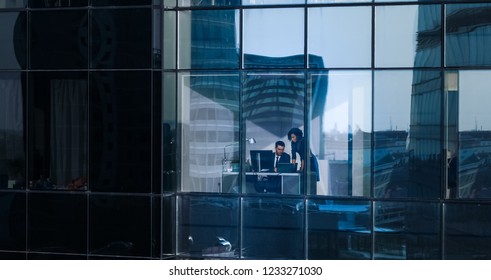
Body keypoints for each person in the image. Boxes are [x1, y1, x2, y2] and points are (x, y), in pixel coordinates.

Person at [287, 127, 319, 194]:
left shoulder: (304, 140)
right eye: (291, 138)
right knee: (302, 180)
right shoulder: (293, 143)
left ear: (297, 136)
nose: (292, 139)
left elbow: (305, 156)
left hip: (310, 161)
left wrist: (302, 169)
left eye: (293, 137)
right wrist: (293, 166)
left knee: (310, 181)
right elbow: (293, 155)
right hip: (303, 160)